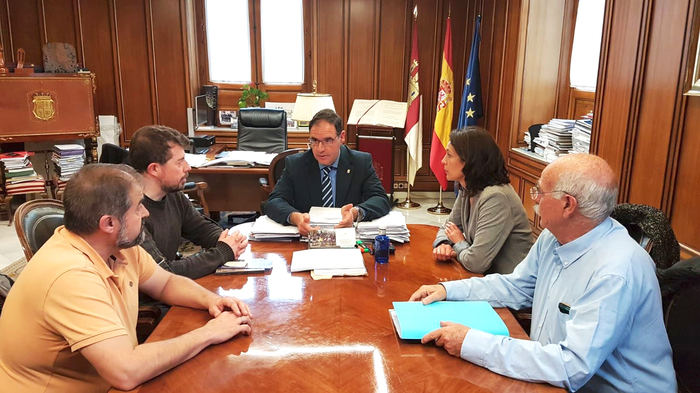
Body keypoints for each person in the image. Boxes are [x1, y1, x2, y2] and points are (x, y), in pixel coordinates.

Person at [409, 154, 676, 392]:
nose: (533, 198)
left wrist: (471, 342)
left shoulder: (615, 271)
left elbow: (572, 366)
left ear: (567, 205)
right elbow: (517, 287)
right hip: (553, 375)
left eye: (540, 191)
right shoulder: (554, 236)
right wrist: (448, 290)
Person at [0, 164, 252, 393]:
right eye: (138, 206)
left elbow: (165, 282)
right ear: (109, 223)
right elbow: (126, 372)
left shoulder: (117, 246)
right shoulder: (70, 275)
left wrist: (211, 300)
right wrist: (209, 333)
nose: (145, 213)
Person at [129, 125, 247, 279]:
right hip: (148, 300)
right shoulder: (131, 214)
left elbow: (200, 229)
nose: (188, 167)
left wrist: (227, 240)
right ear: (154, 169)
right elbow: (163, 273)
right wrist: (222, 252)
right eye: (179, 162)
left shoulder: (172, 195)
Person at [264, 109, 391, 235]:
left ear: (342, 137)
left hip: (346, 238)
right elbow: (274, 201)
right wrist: (295, 218)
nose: (320, 149)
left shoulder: (360, 162)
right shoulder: (296, 164)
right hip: (309, 238)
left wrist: (356, 213)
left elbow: (380, 199)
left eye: (328, 140)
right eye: (314, 140)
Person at [433, 127, 532, 274]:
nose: (443, 161)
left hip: (508, 287)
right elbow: (449, 228)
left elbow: (476, 263)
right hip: (483, 278)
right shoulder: (468, 187)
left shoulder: (496, 197)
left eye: (449, 155)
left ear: (470, 161)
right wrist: (444, 244)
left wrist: (459, 243)